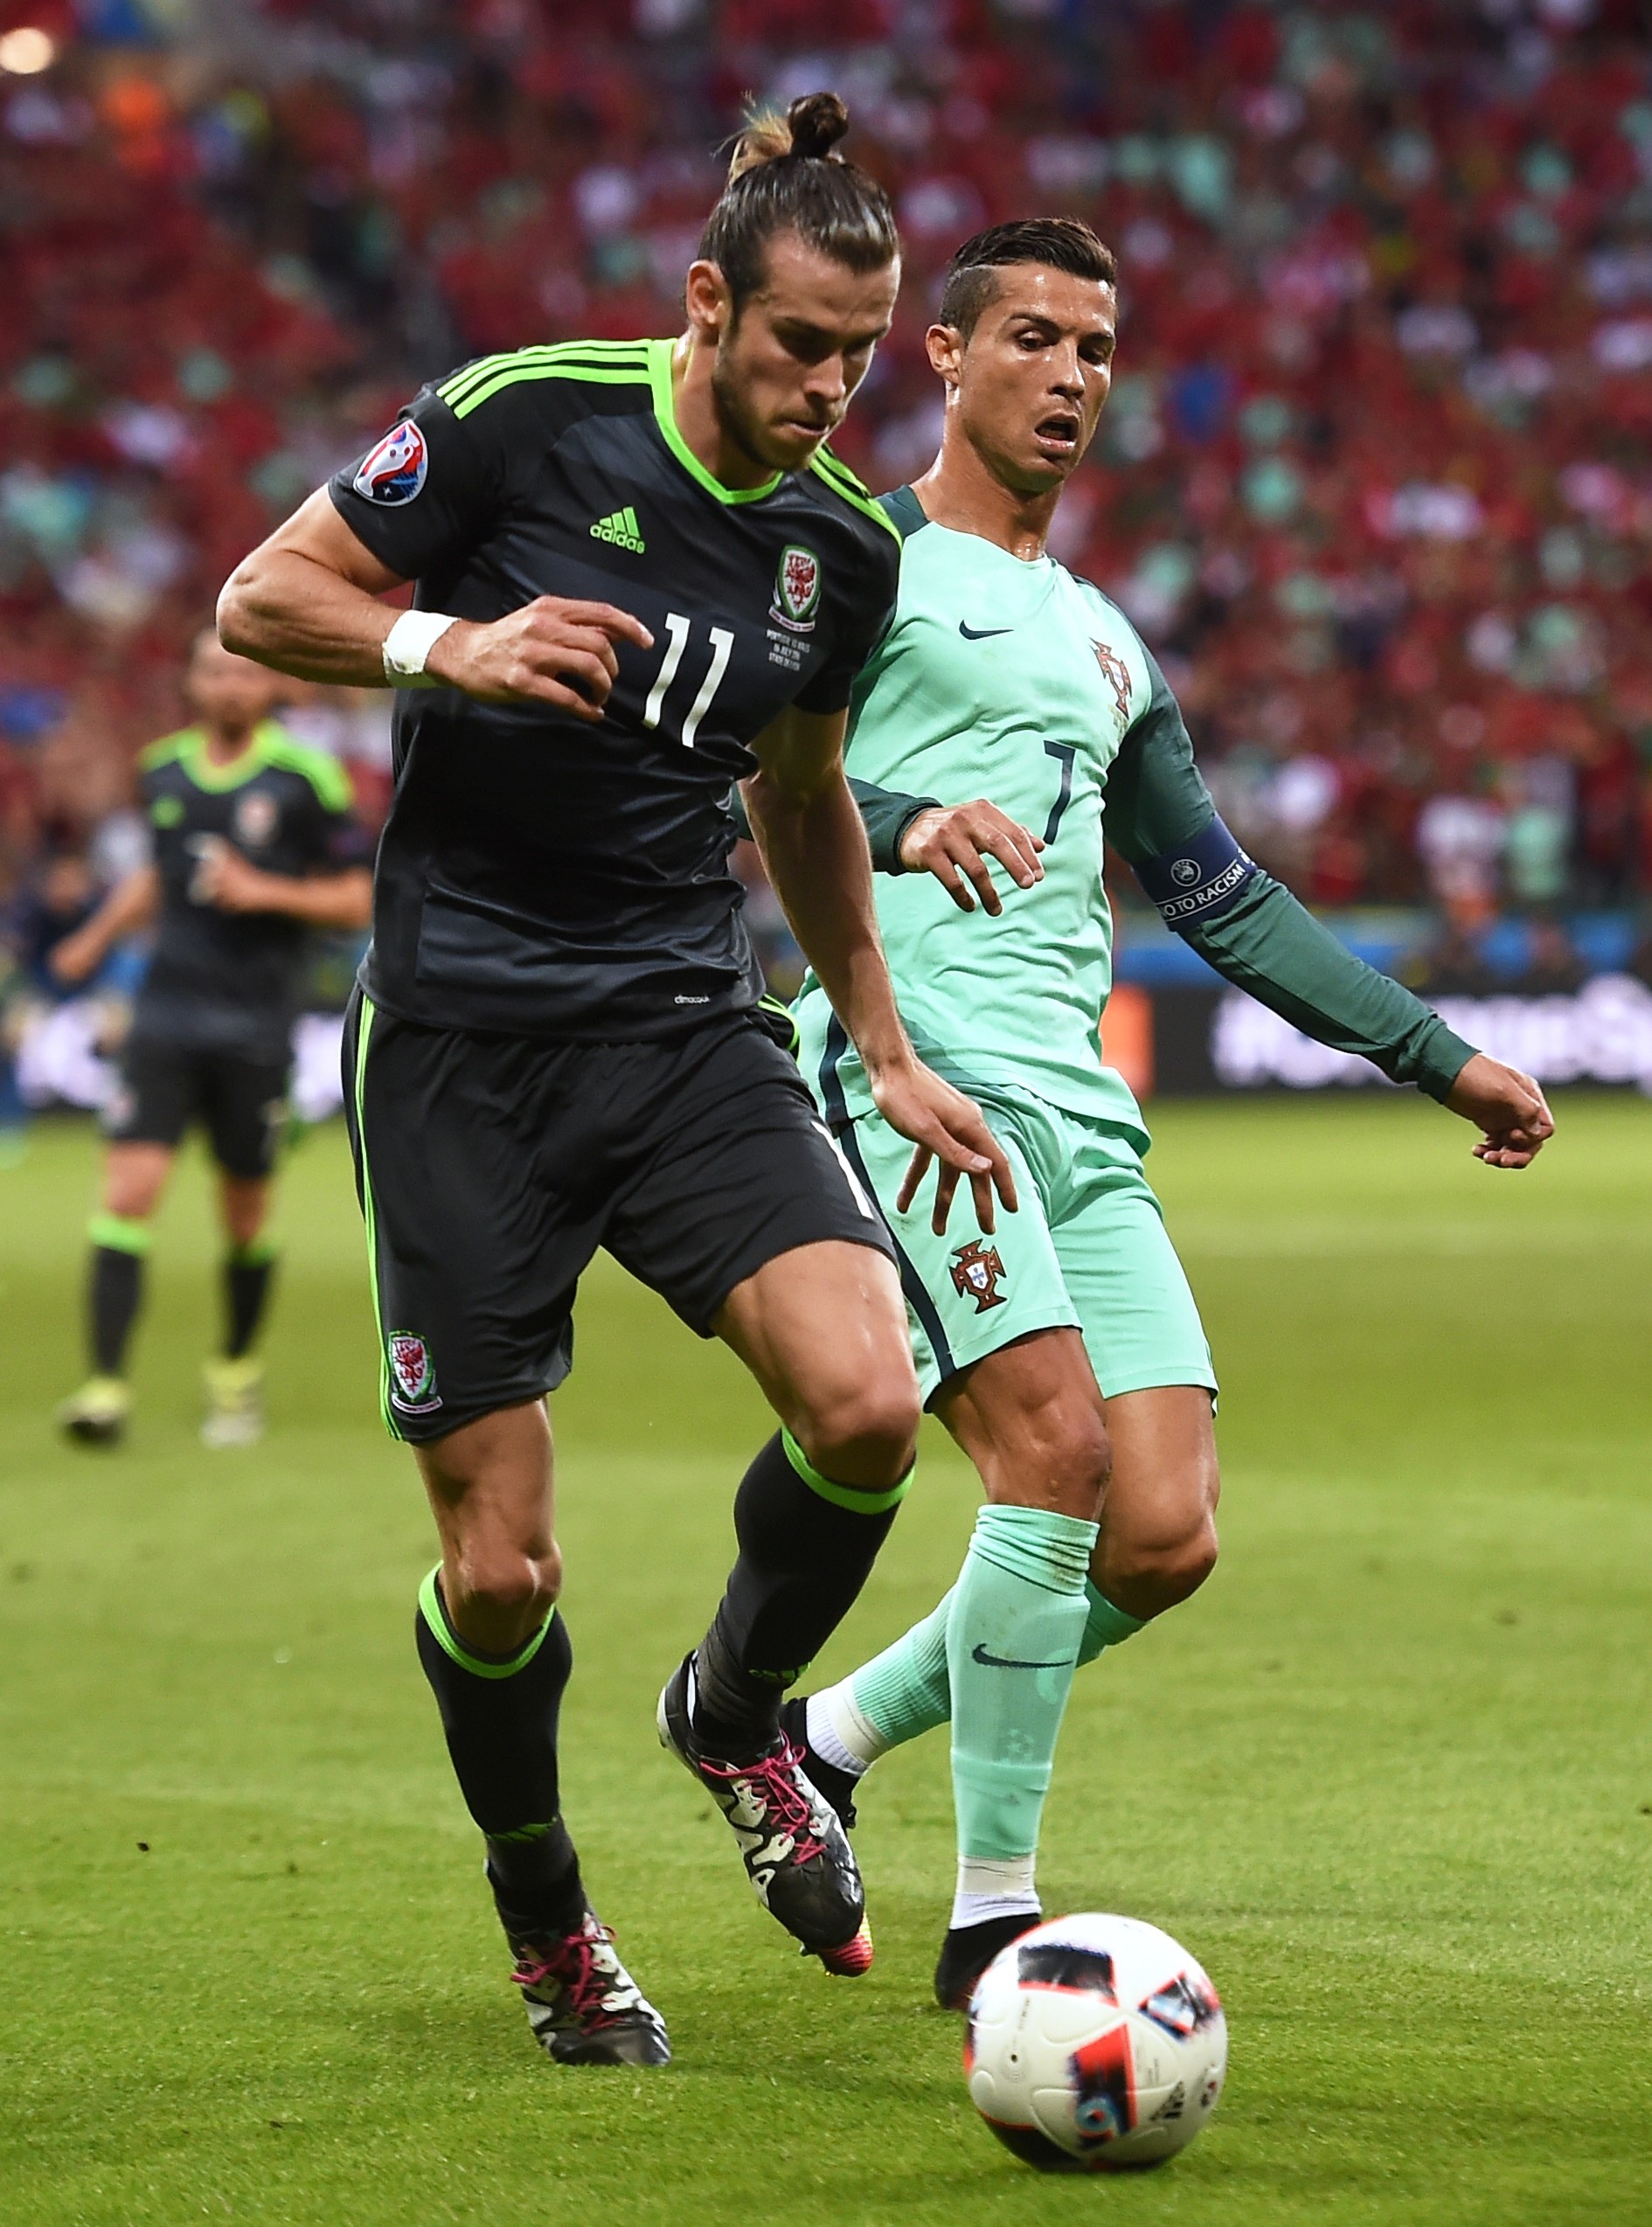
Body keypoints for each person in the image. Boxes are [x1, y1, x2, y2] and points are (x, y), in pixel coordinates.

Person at [216, 94, 1014, 2071]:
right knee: (500, 1576)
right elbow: (260, 599)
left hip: (678, 1024)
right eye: (798, 344)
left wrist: (886, 1047)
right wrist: (444, 645)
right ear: (705, 303)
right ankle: (549, 1920)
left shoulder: (840, 549)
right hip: (463, 1046)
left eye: (862, 347)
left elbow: (806, 801)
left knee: (868, 1405)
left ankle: (736, 1717)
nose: (832, 387)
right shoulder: (522, 415)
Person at [767, 219, 1555, 2013]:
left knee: (1163, 1531)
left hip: (1080, 1099)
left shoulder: (1109, 641)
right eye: (1030, 338)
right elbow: (759, 770)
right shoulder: (853, 554)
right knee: (1045, 1458)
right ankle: (991, 1919)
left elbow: (1227, 899)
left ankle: (825, 1733)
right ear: (945, 358)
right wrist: (899, 822)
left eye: (1097, 349)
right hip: (914, 1063)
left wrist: (1440, 1053)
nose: (1068, 375)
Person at [52, 632, 372, 1448]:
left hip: (253, 1025)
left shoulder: (307, 780)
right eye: (212, 671)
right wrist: (96, 939)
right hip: (164, 1016)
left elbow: (357, 898)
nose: (227, 684)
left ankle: (234, 1376)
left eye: (241, 670)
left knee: (244, 1213)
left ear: (270, 683)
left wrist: (258, 888)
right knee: (125, 1196)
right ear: (193, 685)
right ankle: (104, 1387)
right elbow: (162, 871)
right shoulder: (161, 768)